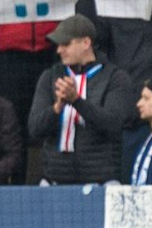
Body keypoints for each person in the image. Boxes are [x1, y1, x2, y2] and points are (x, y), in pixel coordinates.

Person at [27, 14, 137, 185]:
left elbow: (113, 124)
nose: (59, 50)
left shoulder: (115, 78)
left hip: (100, 182)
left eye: (66, 44)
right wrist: (57, 108)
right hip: (55, 181)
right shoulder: (49, 77)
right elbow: (34, 129)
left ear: (86, 43)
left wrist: (77, 101)